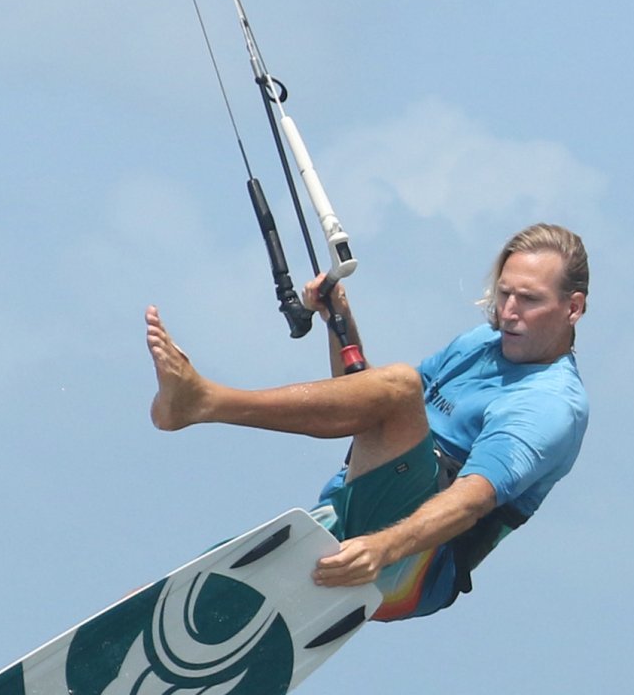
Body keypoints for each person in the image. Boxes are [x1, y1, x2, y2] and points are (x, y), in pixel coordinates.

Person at [146, 222, 590, 621]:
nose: (508, 311)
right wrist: (339, 320)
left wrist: (381, 549)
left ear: (572, 308)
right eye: (505, 292)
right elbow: (367, 410)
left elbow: (470, 502)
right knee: (177, 594)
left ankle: (205, 402)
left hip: (414, 564)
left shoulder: (549, 405)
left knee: (399, 384)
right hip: (354, 509)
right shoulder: (481, 343)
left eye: (529, 299)